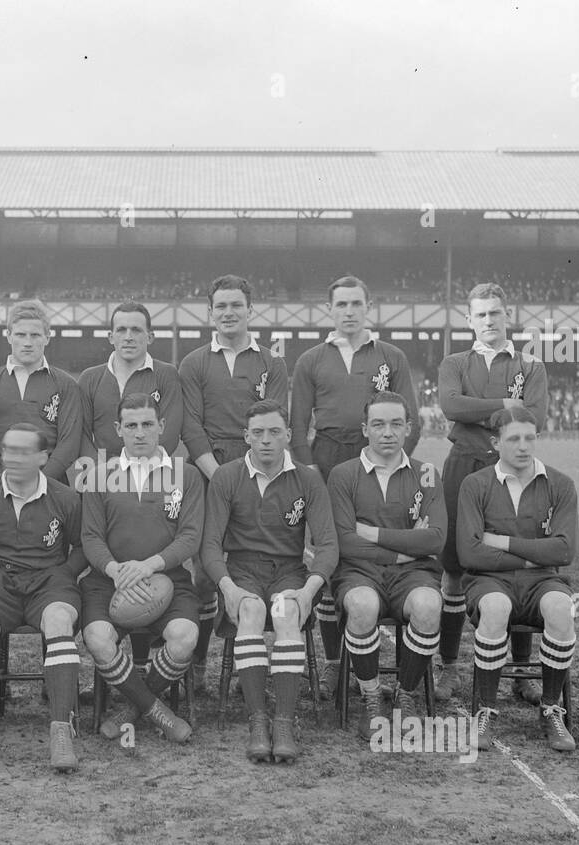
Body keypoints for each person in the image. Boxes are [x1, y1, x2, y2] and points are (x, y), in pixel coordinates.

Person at [291, 275, 420, 675]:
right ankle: (333, 661)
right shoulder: (311, 359)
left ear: (368, 307)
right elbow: (297, 426)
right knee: (331, 555)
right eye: (341, 305)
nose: (349, 312)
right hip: (328, 456)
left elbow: (410, 420)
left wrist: (392, 464)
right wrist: (311, 474)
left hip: (377, 456)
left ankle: (373, 642)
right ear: (330, 310)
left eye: (356, 304)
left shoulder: (391, 356)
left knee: (372, 546)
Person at [201, 400, 337, 763]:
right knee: (250, 610)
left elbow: (327, 544)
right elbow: (210, 545)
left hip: (288, 572)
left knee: (285, 612)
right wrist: (227, 586)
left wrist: (310, 590)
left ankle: (284, 722)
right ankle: (258, 720)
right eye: (258, 433)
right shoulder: (227, 477)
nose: (266, 440)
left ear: (289, 435)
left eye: (275, 432)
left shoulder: (307, 479)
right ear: (246, 436)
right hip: (242, 572)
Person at [436, 283, 548, 704]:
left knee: (515, 563)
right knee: (453, 567)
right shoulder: (454, 361)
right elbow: (451, 407)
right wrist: (504, 402)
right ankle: (448, 668)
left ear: (507, 316)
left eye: (495, 314)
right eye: (480, 315)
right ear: (469, 319)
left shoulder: (531, 365)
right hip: (463, 467)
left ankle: (520, 672)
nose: (488, 321)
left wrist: (478, 408)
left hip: (512, 469)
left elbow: (533, 419)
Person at [178, 275, 289, 692]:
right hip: (210, 471)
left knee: (256, 564)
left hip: (259, 473)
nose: (228, 313)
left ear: (250, 309)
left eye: (236, 305)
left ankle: (251, 664)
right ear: (210, 312)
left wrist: (246, 474)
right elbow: (190, 425)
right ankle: (200, 663)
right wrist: (220, 475)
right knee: (206, 573)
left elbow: (274, 421)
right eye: (220, 306)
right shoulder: (193, 363)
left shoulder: (272, 363)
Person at [0, 423, 85, 773]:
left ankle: (61, 730)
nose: (11, 458)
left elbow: (82, 546)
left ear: (44, 457)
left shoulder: (66, 498)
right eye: (8, 449)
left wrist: (64, 575)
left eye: (23, 451)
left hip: (50, 581)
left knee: (59, 619)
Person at [80, 393, 199, 744]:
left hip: (169, 581)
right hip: (108, 583)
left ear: (162, 427)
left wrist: (148, 566)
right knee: (98, 640)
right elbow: (90, 537)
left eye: (148, 424)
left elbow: (190, 536)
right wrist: (116, 570)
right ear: (118, 429)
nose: (140, 433)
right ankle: (157, 711)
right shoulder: (100, 475)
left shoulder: (186, 475)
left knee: (185, 638)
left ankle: (133, 707)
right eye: (131, 425)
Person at [457, 406, 577, 752]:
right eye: (513, 439)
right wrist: (536, 551)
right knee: (494, 608)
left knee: (561, 608)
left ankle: (552, 708)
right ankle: (485, 711)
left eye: (529, 438)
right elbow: (470, 554)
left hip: (542, 581)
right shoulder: (475, 484)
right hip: (489, 581)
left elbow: (565, 552)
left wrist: (503, 542)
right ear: (496, 443)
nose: (523, 446)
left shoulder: (560, 484)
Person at [327, 392, 445, 739]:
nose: (387, 432)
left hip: (414, 574)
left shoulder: (426, 474)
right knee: (361, 606)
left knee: (427, 606)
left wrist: (372, 533)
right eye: (378, 424)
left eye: (396, 424)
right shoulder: (343, 474)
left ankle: (406, 695)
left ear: (409, 427)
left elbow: (435, 540)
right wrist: (404, 547)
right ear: (365, 429)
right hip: (358, 571)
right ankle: (372, 696)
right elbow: (345, 541)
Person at [0, 299, 82, 483]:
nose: (27, 342)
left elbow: (69, 444)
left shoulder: (66, 384)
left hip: (51, 485)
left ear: (47, 337)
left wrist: (40, 485)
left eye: (35, 335)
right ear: (9, 336)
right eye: (21, 334)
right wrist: (1, 484)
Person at [77, 301, 182, 461]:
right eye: (121, 330)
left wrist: (141, 468)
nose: (128, 337)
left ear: (150, 337)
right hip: (103, 474)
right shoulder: (89, 378)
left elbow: (170, 433)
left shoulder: (167, 374)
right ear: (111, 337)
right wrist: (98, 473)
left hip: (151, 472)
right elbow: (82, 435)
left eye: (136, 330)